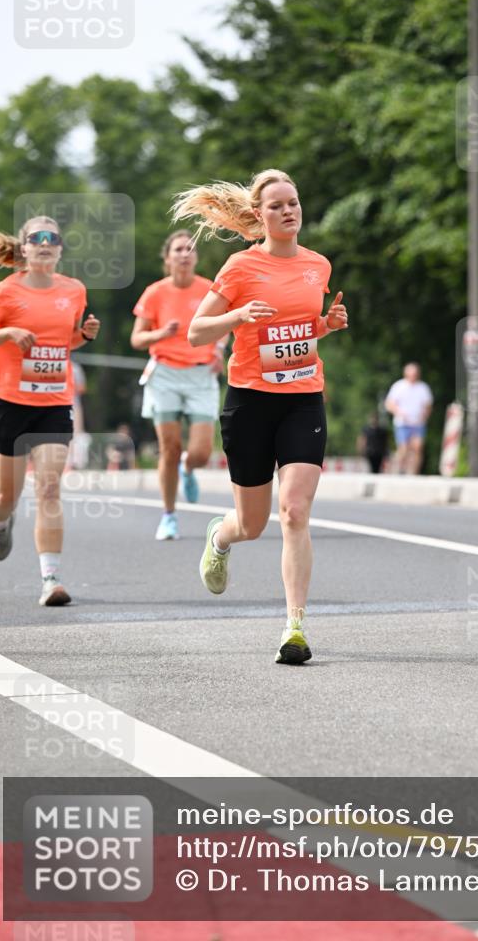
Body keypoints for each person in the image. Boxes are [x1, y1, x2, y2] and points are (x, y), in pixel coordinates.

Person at [174, 168, 348, 665]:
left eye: (293, 202)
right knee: (251, 524)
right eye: (277, 205)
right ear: (259, 215)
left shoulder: (318, 265)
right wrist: (236, 317)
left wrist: (326, 326)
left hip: (302, 398)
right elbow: (196, 332)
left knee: (294, 511)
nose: (288, 211)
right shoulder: (239, 266)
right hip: (249, 401)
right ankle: (219, 536)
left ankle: (295, 626)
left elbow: (299, 335)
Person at [0, 218, 100, 605]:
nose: (45, 243)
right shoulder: (5, 292)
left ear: (60, 249)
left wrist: (82, 335)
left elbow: (63, 342)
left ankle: (51, 579)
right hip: (10, 402)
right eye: (37, 238)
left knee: (49, 487)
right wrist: (6, 334)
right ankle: (0, 523)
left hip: (54, 402)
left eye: (53, 238)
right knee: (6, 494)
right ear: (24, 249)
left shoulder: (74, 290)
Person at [130, 230, 227, 540]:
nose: (185, 254)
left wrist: (219, 352)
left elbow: (225, 324)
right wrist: (160, 334)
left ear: (195, 257)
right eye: (179, 249)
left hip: (201, 374)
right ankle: (169, 515)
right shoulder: (155, 293)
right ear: (168, 257)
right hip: (165, 374)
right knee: (169, 448)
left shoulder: (209, 289)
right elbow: (137, 338)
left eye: (190, 249)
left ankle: (189, 467)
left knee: (199, 452)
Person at [384, 362, 433, 474]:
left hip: (418, 423)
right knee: (403, 449)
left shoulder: (423, 388)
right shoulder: (399, 386)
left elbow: (428, 405)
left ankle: (414, 473)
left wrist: (424, 416)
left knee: (417, 447)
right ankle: (396, 470)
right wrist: (399, 412)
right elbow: (389, 404)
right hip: (402, 423)